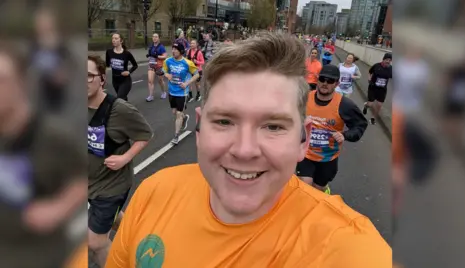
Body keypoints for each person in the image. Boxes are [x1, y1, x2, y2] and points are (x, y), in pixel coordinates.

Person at [105, 33, 390, 268]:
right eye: (224, 121)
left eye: (273, 126)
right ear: (200, 129)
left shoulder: (348, 250)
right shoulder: (152, 193)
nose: (244, 150)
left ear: (303, 140)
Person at [0, 41, 87, 267]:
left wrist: (59, 208)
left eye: (2, 80)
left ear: (21, 83)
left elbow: (83, 176)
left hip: (40, 257)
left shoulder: (53, 136)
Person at [88, 55, 153, 267]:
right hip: (88, 182)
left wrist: (125, 157)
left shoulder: (119, 110)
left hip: (111, 186)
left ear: (102, 79)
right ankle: (138, 234)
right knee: (114, 219)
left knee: (96, 243)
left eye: (89, 76)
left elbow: (145, 134)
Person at [296, 64, 368, 194]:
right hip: (306, 153)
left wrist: (345, 135)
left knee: (318, 190)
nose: (325, 83)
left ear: (336, 83)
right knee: (305, 187)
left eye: (330, 81)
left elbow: (360, 125)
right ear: (317, 79)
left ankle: (324, 189)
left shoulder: (345, 105)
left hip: (327, 158)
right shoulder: (305, 98)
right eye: (322, 79)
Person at [163, 43, 200, 145]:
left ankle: (176, 136)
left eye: (176, 49)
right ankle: (185, 117)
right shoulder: (168, 61)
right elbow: (163, 70)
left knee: (178, 114)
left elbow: (197, 75)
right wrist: (167, 75)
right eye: (173, 49)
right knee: (174, 112)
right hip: (171, 91)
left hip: (182, 93)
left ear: (181, 51)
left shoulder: (187, 63)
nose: (173, 51)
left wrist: (187, 83)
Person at [105, 33, 138, 101]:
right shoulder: (109, 52)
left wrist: (129, 72)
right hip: (115, 80)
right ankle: (126, 108)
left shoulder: (126, 53)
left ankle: (122, 109)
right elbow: (107, 65)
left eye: (116, 38)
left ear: (121, 41)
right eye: (113, 38)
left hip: (125, 80)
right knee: (123, 99)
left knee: (119, 98)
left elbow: (135, 65)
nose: (113, 40)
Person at [363, 53, 393, 125]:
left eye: (390, 60)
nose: (388, 61)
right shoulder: (376, 66)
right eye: (387, 59)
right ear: (383, 59)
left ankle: (373, 118)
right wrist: (369, 78)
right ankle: (366, 106)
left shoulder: (391, 69)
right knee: (370, 104)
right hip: (373, 87)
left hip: (382, 90)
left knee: (379, 105)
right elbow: (370, 72)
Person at [145, 33, 168, 102]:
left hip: (159, 66)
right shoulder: (151, 46)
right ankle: (151, 96)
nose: (154, 38)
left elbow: (165, 56)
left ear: (158, 38)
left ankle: (163, 92)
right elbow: (151, 54)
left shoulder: (161, 47)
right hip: (151, 65)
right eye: (153, 37)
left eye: (156, 37)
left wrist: (157, 56)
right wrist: (149, 55)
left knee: (160, 80)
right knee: (150, 80)